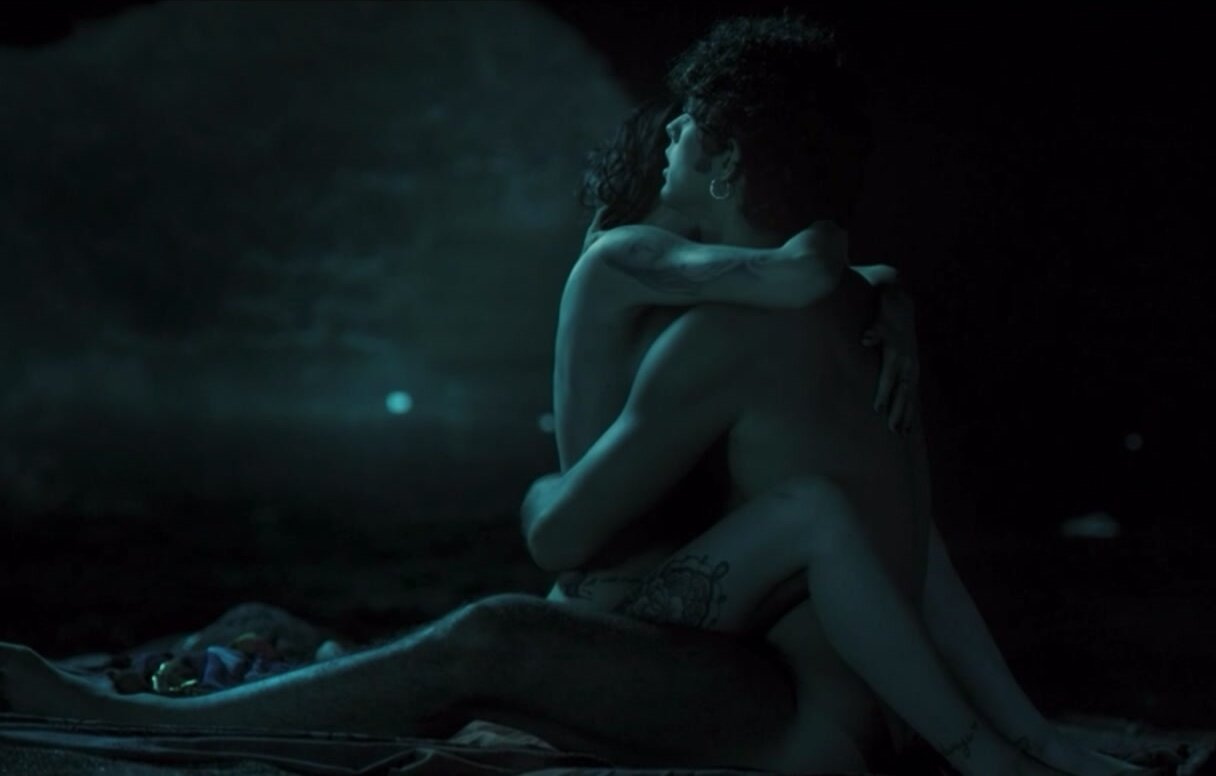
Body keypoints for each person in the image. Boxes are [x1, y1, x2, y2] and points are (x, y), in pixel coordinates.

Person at [0, 14, 1147, 776]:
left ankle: (133, 720)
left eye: (684, 134)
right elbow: (913, 539)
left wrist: (549, 500)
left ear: (724, 163)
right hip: (829, 696)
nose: (666, 149)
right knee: (505, 637)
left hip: (791, 715)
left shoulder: (710, 331)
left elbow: (564, 532)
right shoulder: (851, 313)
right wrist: (1013, 732)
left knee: (494, 631)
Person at [520, 15, 1150, 776]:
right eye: (670, 134)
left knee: (890, 507)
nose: (675, 138)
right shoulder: (625, 256)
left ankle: (1032, 740)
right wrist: (845, 248)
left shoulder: (695, 283)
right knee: (820, 511)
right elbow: (801, 274)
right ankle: (987, 754)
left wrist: (883, 292)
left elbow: (790, 283)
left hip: (677, 578)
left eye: (686, 128)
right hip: (614, 595)